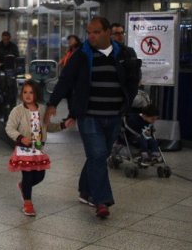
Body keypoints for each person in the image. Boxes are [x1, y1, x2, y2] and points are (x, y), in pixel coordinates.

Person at [45, 16, 141, 219]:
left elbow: (133, 80)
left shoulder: (124, 54)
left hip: (114, 115)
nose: (91, 36)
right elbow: (66, 80)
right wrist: (52, 103)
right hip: (89, 116)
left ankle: (85, 190)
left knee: (98, 155)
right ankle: (102, 201)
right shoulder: (82, 55)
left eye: (96, 32)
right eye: (89, 32)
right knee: (97, 155)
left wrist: (126, 103)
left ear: (107, 32)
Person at [6, 80, 74, 216]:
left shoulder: (42, 110)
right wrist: (20, 138)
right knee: (28, 174)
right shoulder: (18, 111)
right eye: (25, 92)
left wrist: (63, 125)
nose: (28, 95)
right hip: (24, 148)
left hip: (37, 148)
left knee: (39, 175)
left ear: (37, 94)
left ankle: (24, 187)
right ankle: (28, 203)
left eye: (31, 92)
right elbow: (9, 128)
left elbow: (47, 126)